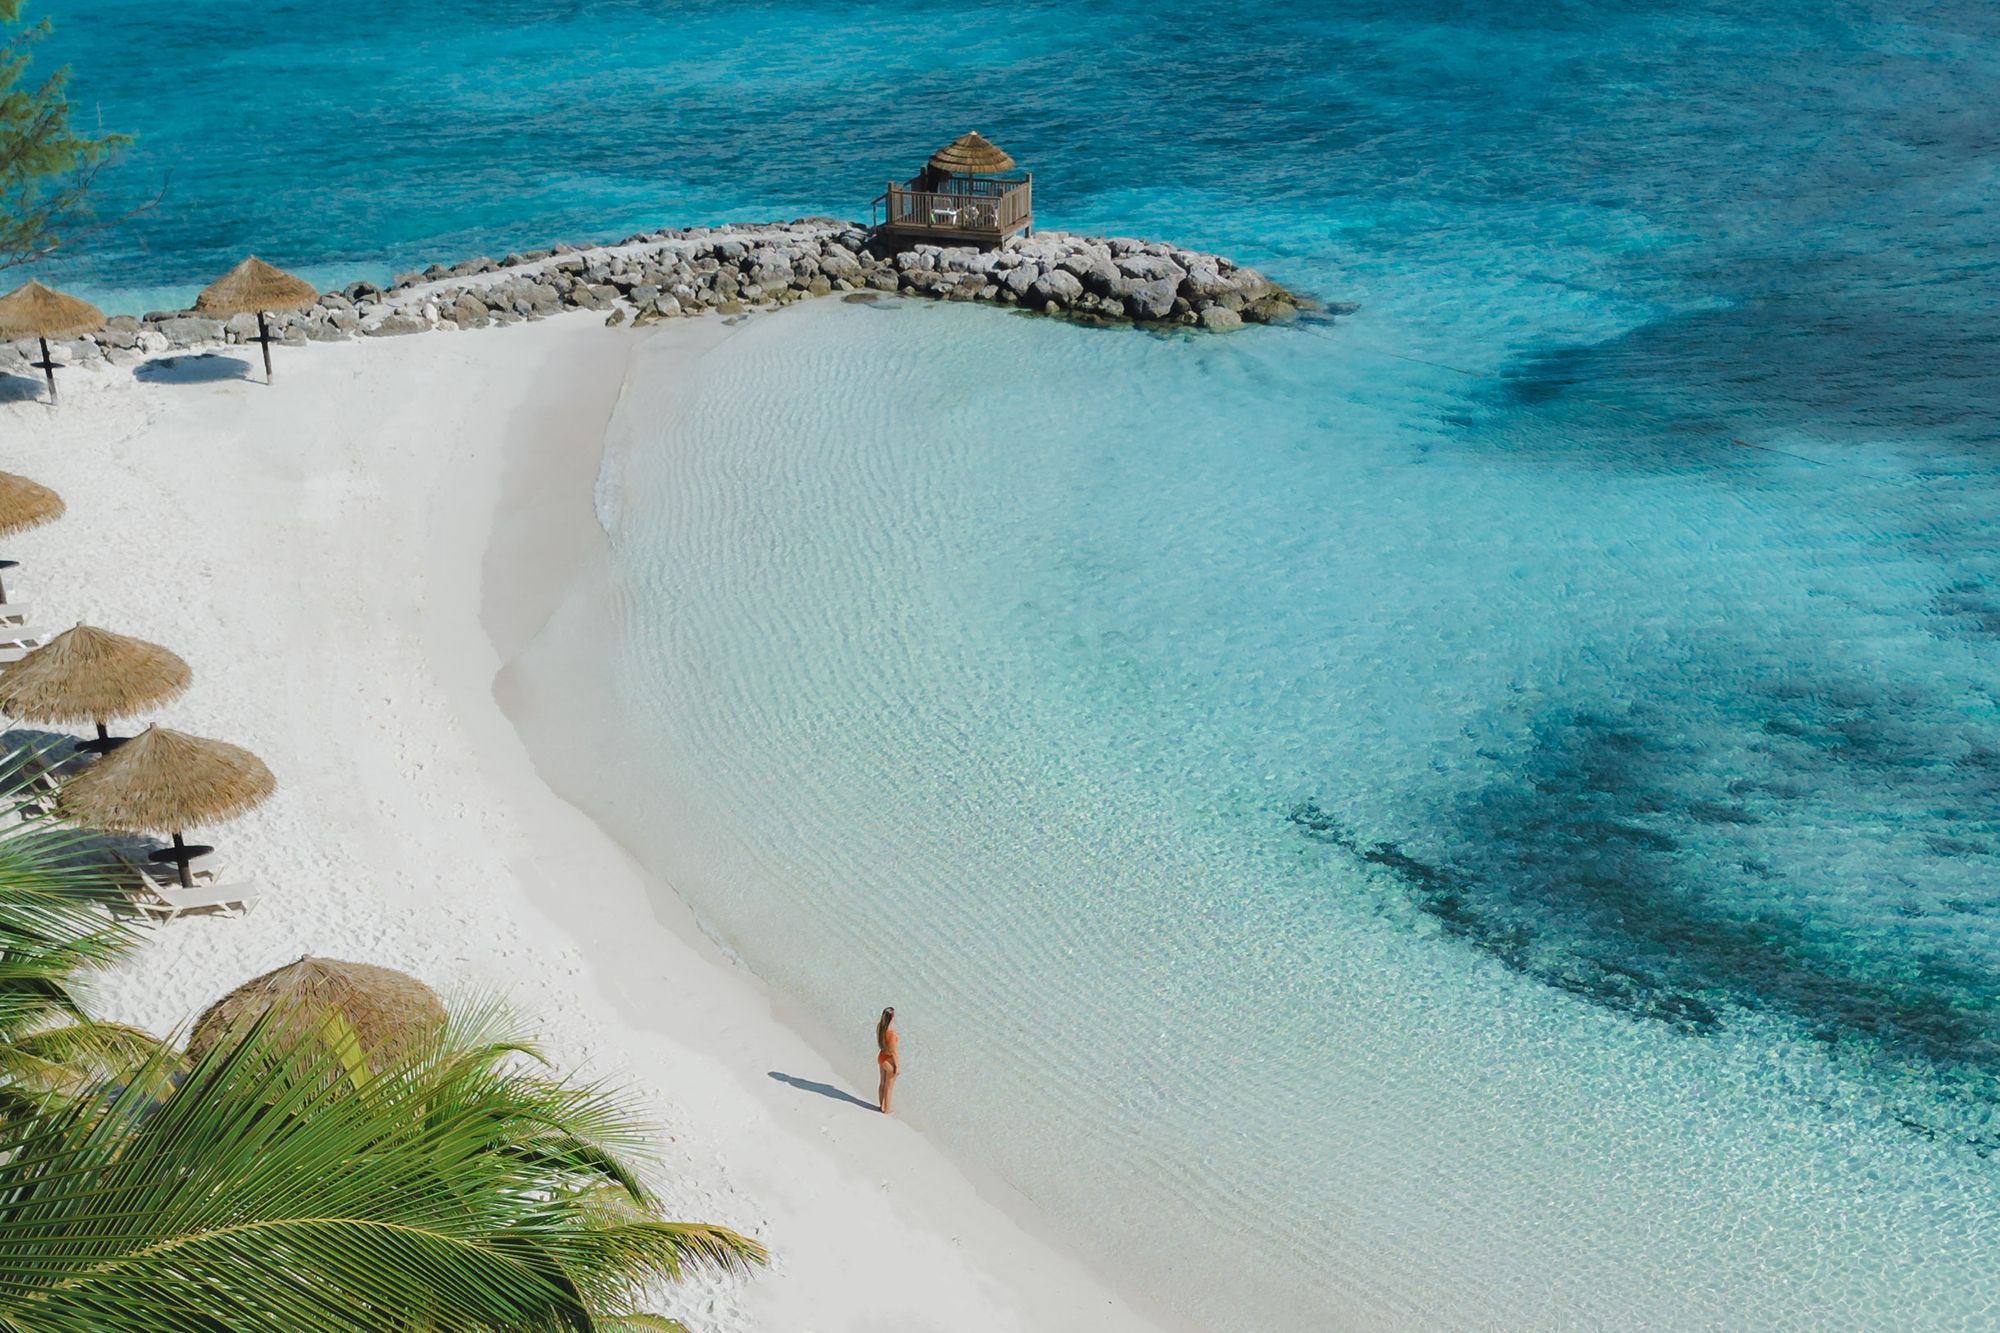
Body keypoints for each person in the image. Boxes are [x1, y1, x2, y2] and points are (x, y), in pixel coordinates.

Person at [875, 1006, 900, 1114]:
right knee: (889, 1086)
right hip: (889, 1060)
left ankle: (882, 1106)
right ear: (892, 1017)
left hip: (881, 1056)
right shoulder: (892, 1034)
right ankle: (887, 1110)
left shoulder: (879, 1027)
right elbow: (893, 1052)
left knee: (882, 1083)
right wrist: (897, 1066)